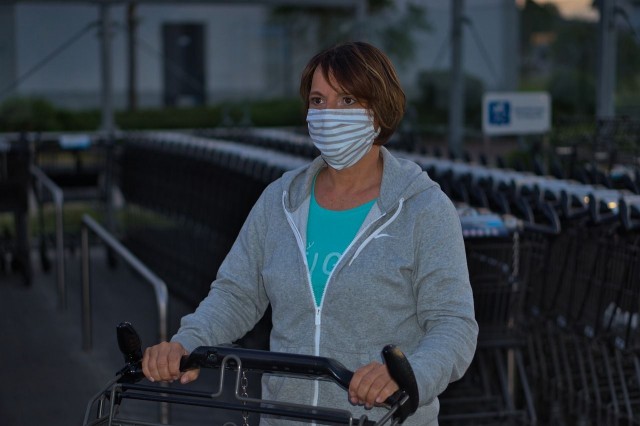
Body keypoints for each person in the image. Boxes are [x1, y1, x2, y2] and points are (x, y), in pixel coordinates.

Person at [142, 41, 478, 425]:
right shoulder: (280, 201)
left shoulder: (422, 209)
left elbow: (453, 325)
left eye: (347, 100)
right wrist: (187, 342)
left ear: (380, 109)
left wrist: (408, 376)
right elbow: (236, 294)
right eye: (317, 101)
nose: (328, 114)